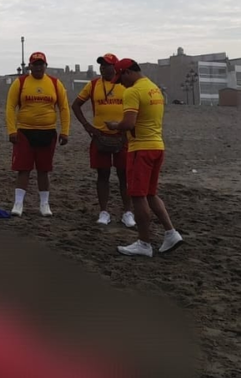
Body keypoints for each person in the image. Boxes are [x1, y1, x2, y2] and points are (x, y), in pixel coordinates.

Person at [108, 59, 183, 257]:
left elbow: (129, 123)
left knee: (138, 196)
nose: (121, 84)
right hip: (157, 146)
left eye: (120, 78)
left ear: (127, 73)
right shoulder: (154, 89)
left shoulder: (132, 91)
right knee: (150, 193)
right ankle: (171, 232)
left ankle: (144, 242)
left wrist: (115, 125)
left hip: (140, 148)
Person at [72, 53, 135, 228]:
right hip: (100, 137)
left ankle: (127, 212)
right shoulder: (93, 85)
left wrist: (129, 129)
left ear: (115, 67)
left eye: (106, 65)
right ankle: (104, 211)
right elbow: (76, 105)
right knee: (103, 175)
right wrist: (87, 126)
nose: (102, 68)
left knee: (124, 175)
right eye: (101, 65)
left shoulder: (126, 85)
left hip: (122, 136)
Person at [5, 52, 70, 217]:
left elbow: (64, 108)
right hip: (25, 132)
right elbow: (10, 107)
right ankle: (18, 203)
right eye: (35, 64)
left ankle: (44, 204)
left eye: (41, 64)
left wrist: (65, 131)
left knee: (44, 170)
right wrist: (12, 130)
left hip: (47, 132)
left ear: (46, 66)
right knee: (23, 169)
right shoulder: (20, 83)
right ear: (30, 66)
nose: (38, 67)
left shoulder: (55, 83)